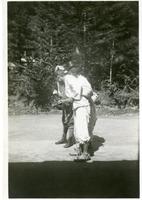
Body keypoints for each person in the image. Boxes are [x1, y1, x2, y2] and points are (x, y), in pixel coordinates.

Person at [64, 66, 97, 161]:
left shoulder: (81, 79)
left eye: (72, 70)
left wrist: (71, 98)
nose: (71, 72)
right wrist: (70, 99)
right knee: (78, 128)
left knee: (82, 128)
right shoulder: (76, 79)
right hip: (79, 105)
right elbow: (74, 94)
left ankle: (85, 153)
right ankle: (80, 150)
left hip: (83, 106)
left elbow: (86, 93)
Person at [54, 65, 75, 148]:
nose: (58, 76)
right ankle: (64, 138)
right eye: (57, 73)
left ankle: (70, 140)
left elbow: (73, 93)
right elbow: (60, 91)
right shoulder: (59, 80)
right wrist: (57, 95)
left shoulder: (68, 78)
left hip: (71, 102)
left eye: (60, 72)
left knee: (71, 121)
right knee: (64, 120)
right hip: (64, 102)